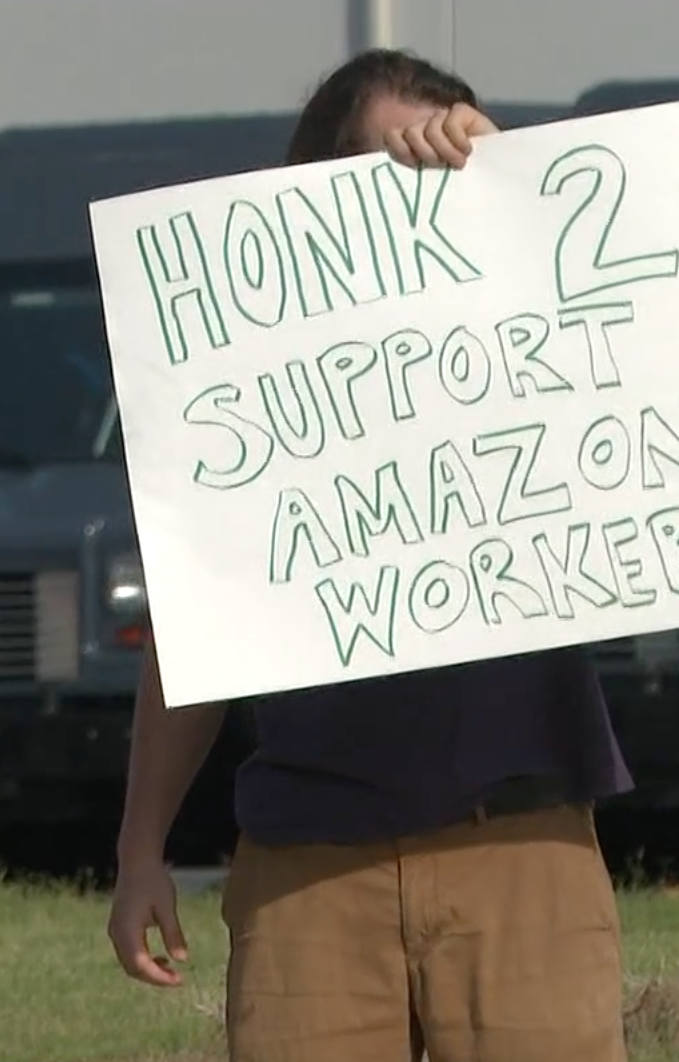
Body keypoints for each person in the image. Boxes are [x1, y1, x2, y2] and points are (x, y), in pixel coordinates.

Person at [106, 50, 634, 1062]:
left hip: (519, 848)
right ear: (315, 194)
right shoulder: (246, 394)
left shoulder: (533, 351)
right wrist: (140, 851)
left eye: (442, 161)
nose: (427, 184)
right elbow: (188, 632)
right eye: (394, 166)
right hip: (309, 864)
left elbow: (622, 308)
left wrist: (510, 171)